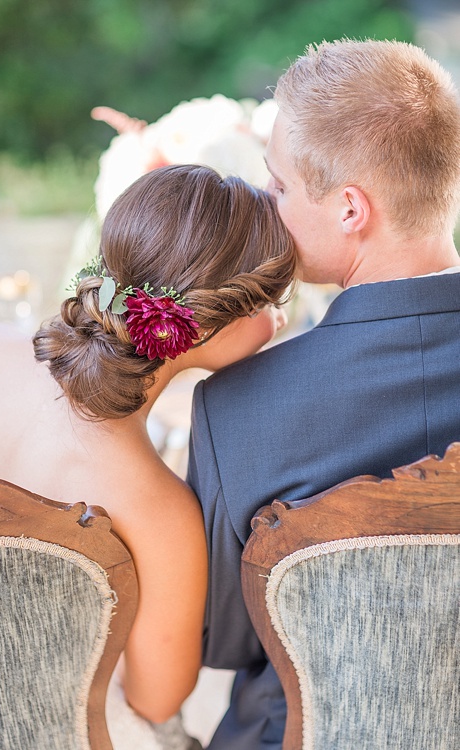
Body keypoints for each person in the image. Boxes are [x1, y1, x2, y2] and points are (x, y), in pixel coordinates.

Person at [0, 164, 296, 750]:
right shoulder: (156, 505)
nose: (283, 321)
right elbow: (155, 699)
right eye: (275, 301)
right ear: (210, 323)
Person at [187, 38, 460, 749]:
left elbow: (221, 638)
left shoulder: (238, 409)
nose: (269, 206)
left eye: (278, 186)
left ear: (349, 208)